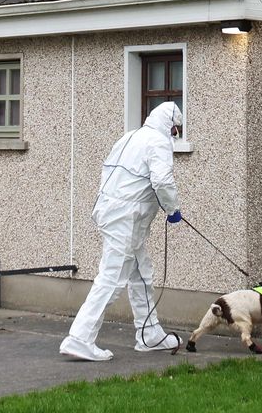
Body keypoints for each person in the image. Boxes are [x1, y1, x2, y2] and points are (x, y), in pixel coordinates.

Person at [59, 101, 184, 361]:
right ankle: (80, 338)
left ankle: (150, 334)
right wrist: (172, 208)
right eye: (175, 130)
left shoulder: (130, 136)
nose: (175, 135)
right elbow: (161, 180)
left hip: (114, 213)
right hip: (127, 219)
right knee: (112, 278)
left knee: (141, 273)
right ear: (169, 125)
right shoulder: (158, 142)